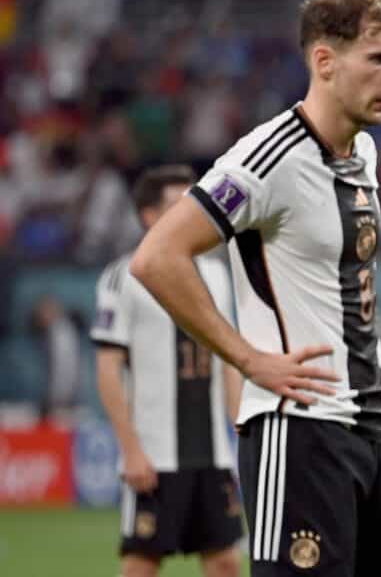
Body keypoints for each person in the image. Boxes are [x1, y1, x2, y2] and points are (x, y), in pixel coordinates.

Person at [129, 0, 381, 577]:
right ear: (324, 60)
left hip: (373, 434)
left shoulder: (362, 153)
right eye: (378, 59)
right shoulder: (268, 158)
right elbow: (157, 257)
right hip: (299, 438)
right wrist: (247, 358)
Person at [92, 165, 243, 577]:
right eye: (178, 206)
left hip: (212, 452)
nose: (190, 215)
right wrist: (130, 450)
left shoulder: (216, 274)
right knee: (141, 564)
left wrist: (239, 429)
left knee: (226, 562)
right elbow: (107, 368)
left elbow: (228, 357)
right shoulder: (123, 278)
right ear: (148, 216)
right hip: (155, 455)